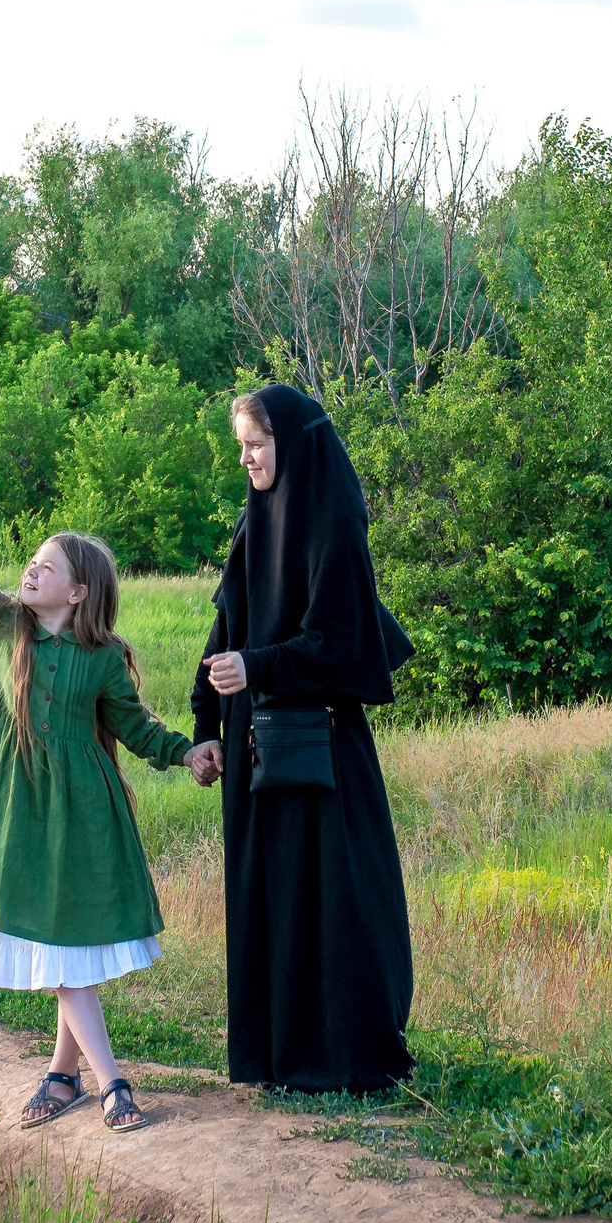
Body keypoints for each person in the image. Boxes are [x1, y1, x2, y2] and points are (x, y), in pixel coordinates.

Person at [0, 466, 220, 1134]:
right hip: (20, 820)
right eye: (30, 562)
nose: (30, 571)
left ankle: (69, 1076)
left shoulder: (104, 656)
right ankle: (105, 1080)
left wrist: (188, 752)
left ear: (78, 591)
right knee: (63, 956)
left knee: (67, 952)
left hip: (83, 819)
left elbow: (136, 728)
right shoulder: (8, 628)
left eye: (45, 567)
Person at [190, 385, 416, 1092]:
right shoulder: (255, 518)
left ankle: (346, 1057)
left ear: (292, 440)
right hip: (253, 738)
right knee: (269, 896)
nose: (246, 458)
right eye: (241, 446)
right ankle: (280, 1057)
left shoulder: (335, 522)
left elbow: (342, 642)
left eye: (255, 443)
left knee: (336, 896)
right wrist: (204, 723)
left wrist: (258, 665)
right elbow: (227, 620)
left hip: (318, 743)